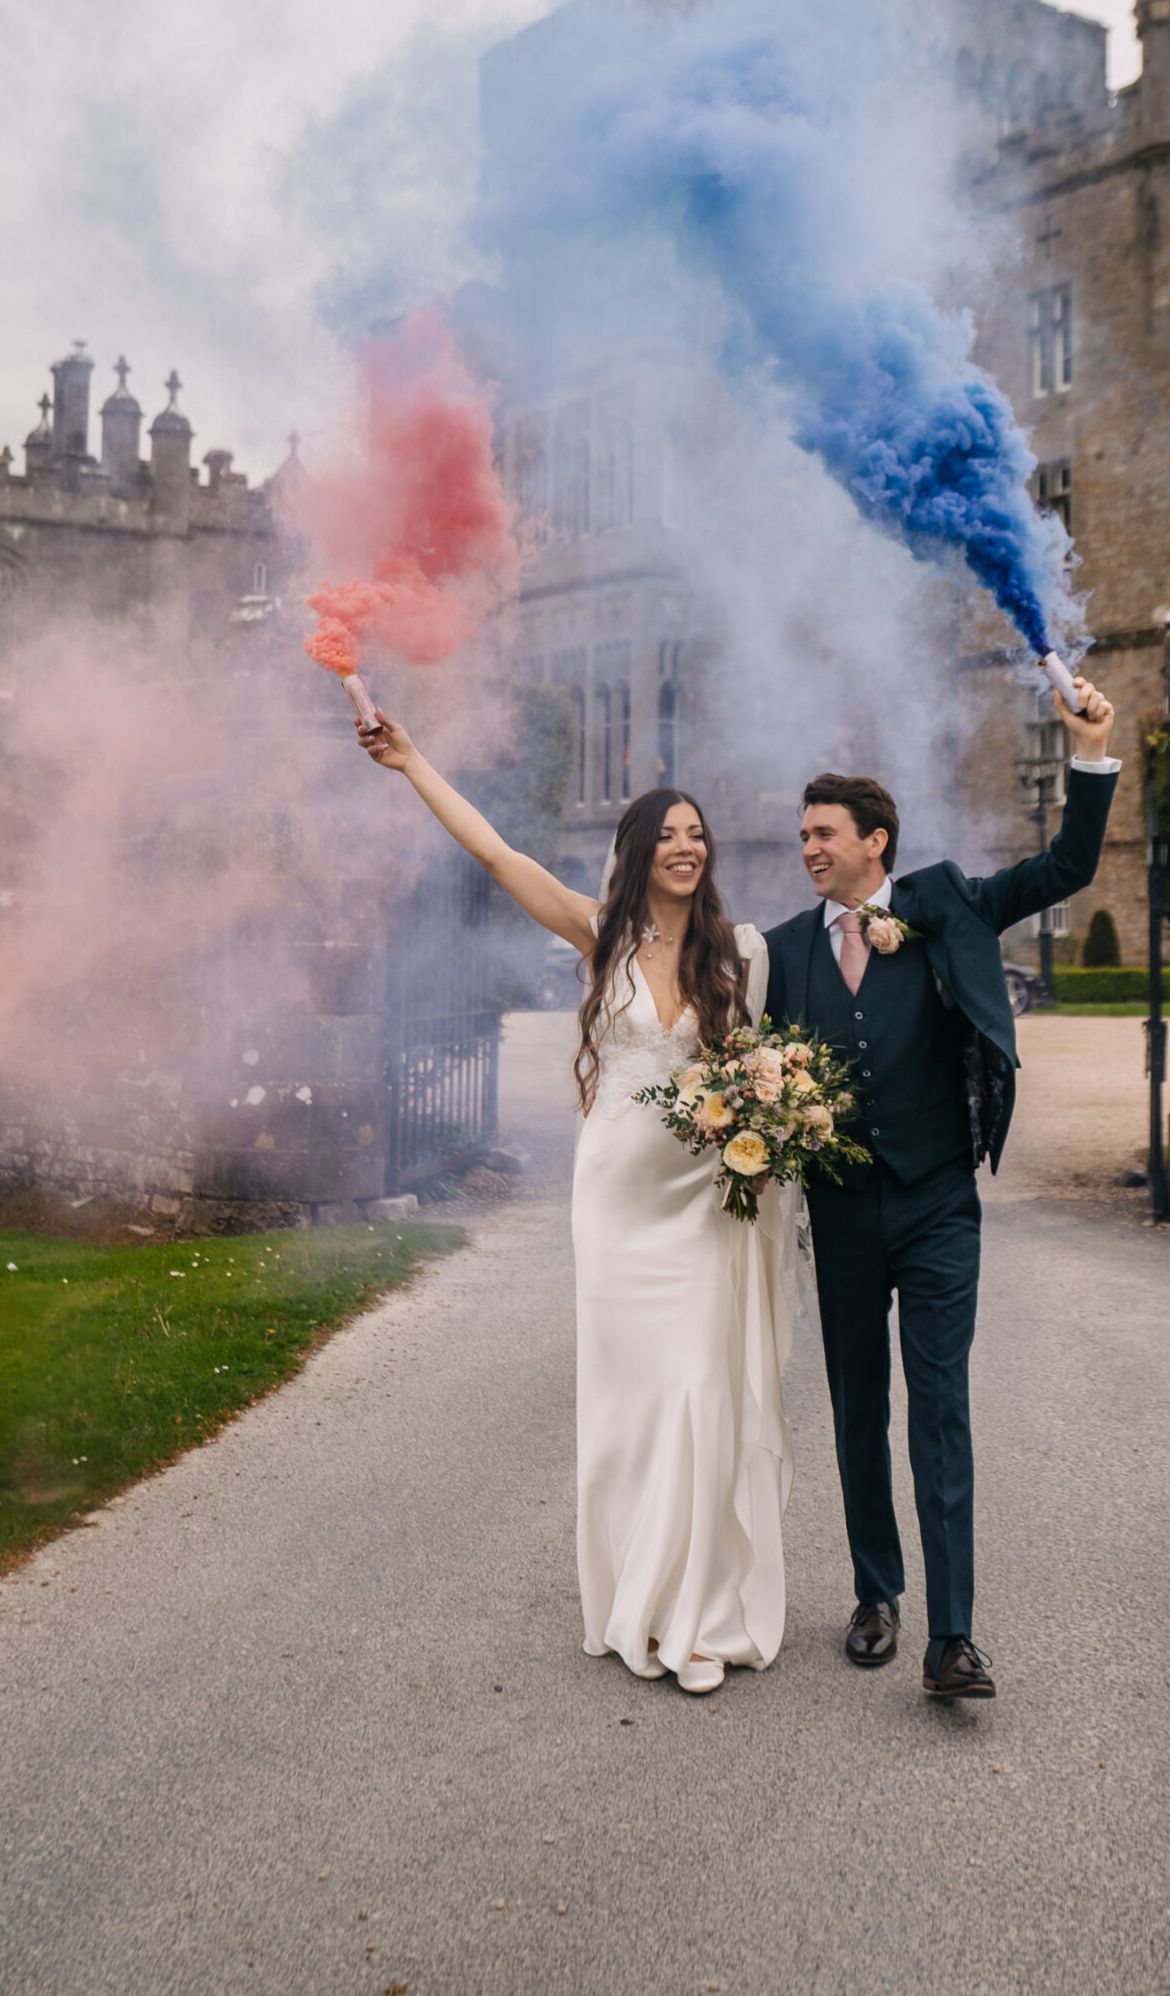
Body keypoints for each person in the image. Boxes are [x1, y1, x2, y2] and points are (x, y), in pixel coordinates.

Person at [356, 711, 795, 1696]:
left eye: (697, 833)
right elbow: (494, 849)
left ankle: (693, 1617)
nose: (687, 845)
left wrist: (769, 1139)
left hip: (702, 1209)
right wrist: (412, 758)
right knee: (635, 1408)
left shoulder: (740, 958)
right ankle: (640, 1601)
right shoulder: (600, 934)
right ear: (639, 854)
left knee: (698, 1393)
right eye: (668, 833)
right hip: (617, 1208)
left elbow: (765, 1074)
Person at [764, 678, 1119, 1700]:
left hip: (936, 1205)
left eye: (823, 833)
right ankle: (877, 1594)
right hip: (839, 1211)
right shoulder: (787, 950)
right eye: (801, 837)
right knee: (855, 1404)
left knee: (941, 1408)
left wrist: (1090, 747)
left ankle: (952, 1636)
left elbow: (1067, 864)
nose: (809, 850)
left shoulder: (949, 900)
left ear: (877, 841)